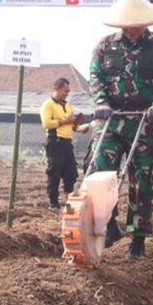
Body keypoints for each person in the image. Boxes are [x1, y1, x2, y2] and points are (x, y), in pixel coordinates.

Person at [89, 0, 153, 259]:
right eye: (124, 24)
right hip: (111, 120)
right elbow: (95, 75)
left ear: (145, 22)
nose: (128, 28)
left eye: (133, 23)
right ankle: (108, 225)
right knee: (98, 172)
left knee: (142, 177)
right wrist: (100, 101)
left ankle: (138, 240)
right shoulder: (105, 45)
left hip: (145, 121)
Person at [40, 77, 89, 211]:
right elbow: (46, 123)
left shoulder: (68, 105)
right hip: (55, 141)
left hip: (67, 142)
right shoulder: (48, 105)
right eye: (65, 91)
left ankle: (69, 200)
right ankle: (53, 203)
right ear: (57, 88)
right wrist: (63, 122)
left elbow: (72, 126)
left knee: (71, 172)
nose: (67, 94)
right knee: (54, 172)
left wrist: (80, 128)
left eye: (68, 91)